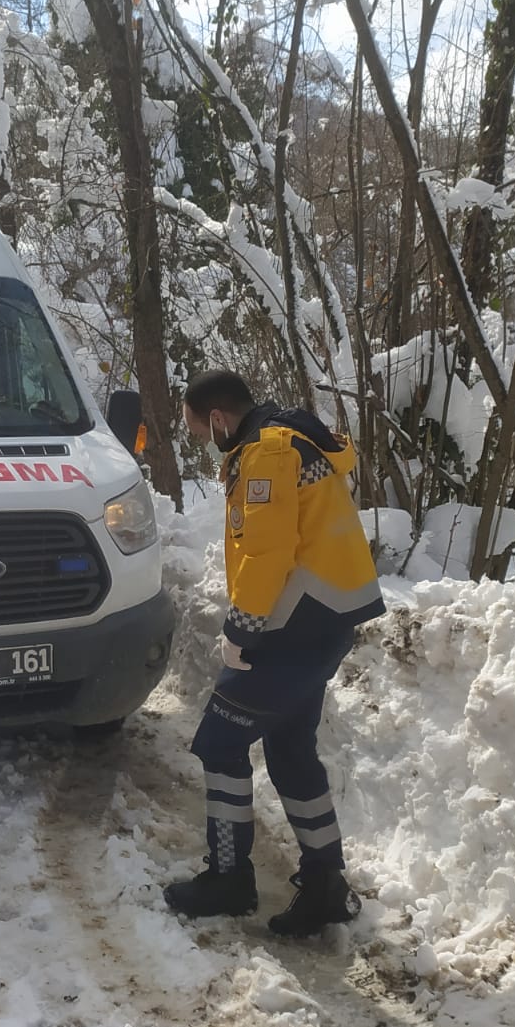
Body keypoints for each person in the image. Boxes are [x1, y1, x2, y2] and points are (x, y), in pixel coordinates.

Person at [165, 370, 385, 937]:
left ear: (216, 417)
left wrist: (242, 630)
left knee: (220, 741)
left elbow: (266, 552)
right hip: (320, 619)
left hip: (297, 624)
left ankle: (229, 879)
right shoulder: (285, 439)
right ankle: (326, 888)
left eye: (196, 428)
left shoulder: (267, 453)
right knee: (289, 749)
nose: (200, 440)